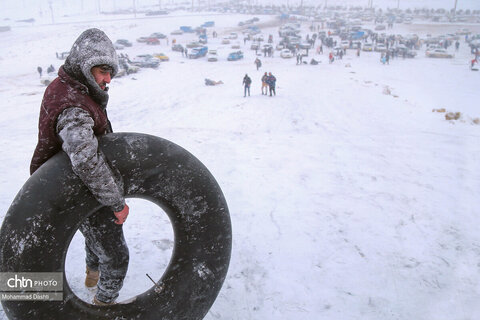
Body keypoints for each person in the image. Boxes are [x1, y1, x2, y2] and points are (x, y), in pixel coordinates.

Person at [30, 28, 129, 306]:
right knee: (117, 257)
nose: (108, 79)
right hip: (77, 188)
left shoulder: (69, 86)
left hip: (66, 185)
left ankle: (91, 276)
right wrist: (116, 202)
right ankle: (103, 305)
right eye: (102, 71)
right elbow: (86, 160)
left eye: (111, 72)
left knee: (93, 234)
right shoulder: (73, 105)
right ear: (85, 67)